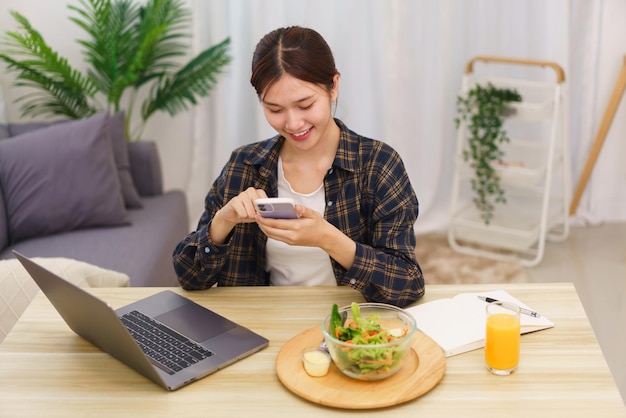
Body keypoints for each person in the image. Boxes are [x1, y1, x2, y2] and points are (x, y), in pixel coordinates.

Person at [172, 26, 424, 307]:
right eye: (275, 110)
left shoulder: (378, 164)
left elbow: (408, 284)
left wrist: (328, 239)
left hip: (350, 332)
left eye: (305, 105)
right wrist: (223, 221)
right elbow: (189, 277)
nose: (292, 124)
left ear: (334, 86)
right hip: (263, 327)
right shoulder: (244, 166)